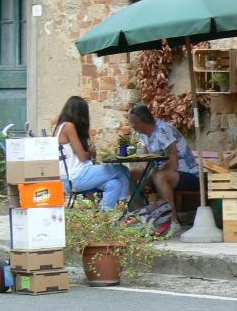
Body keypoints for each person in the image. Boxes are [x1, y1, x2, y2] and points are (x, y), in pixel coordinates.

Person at [128, 104, 199, 237]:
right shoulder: (143, 135)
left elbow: (173, 164)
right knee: (131, 174)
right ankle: (141, 217)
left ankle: (173, 222)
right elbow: (146, 161)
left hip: (188, 174)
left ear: (140, 123)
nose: (131, 126)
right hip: (163, 173)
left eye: (132, 123)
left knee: (159, 177)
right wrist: (146, 176)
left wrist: (150, 176)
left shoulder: (163, 130)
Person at [54, 96, 130, 211]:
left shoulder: (59, 127)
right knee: (122, 170)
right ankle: (124, 207)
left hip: (71, 177)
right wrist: (90, 151)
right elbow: (82, 157)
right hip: (74, 178)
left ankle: (104, 219)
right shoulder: (68, 126)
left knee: (115, 184)